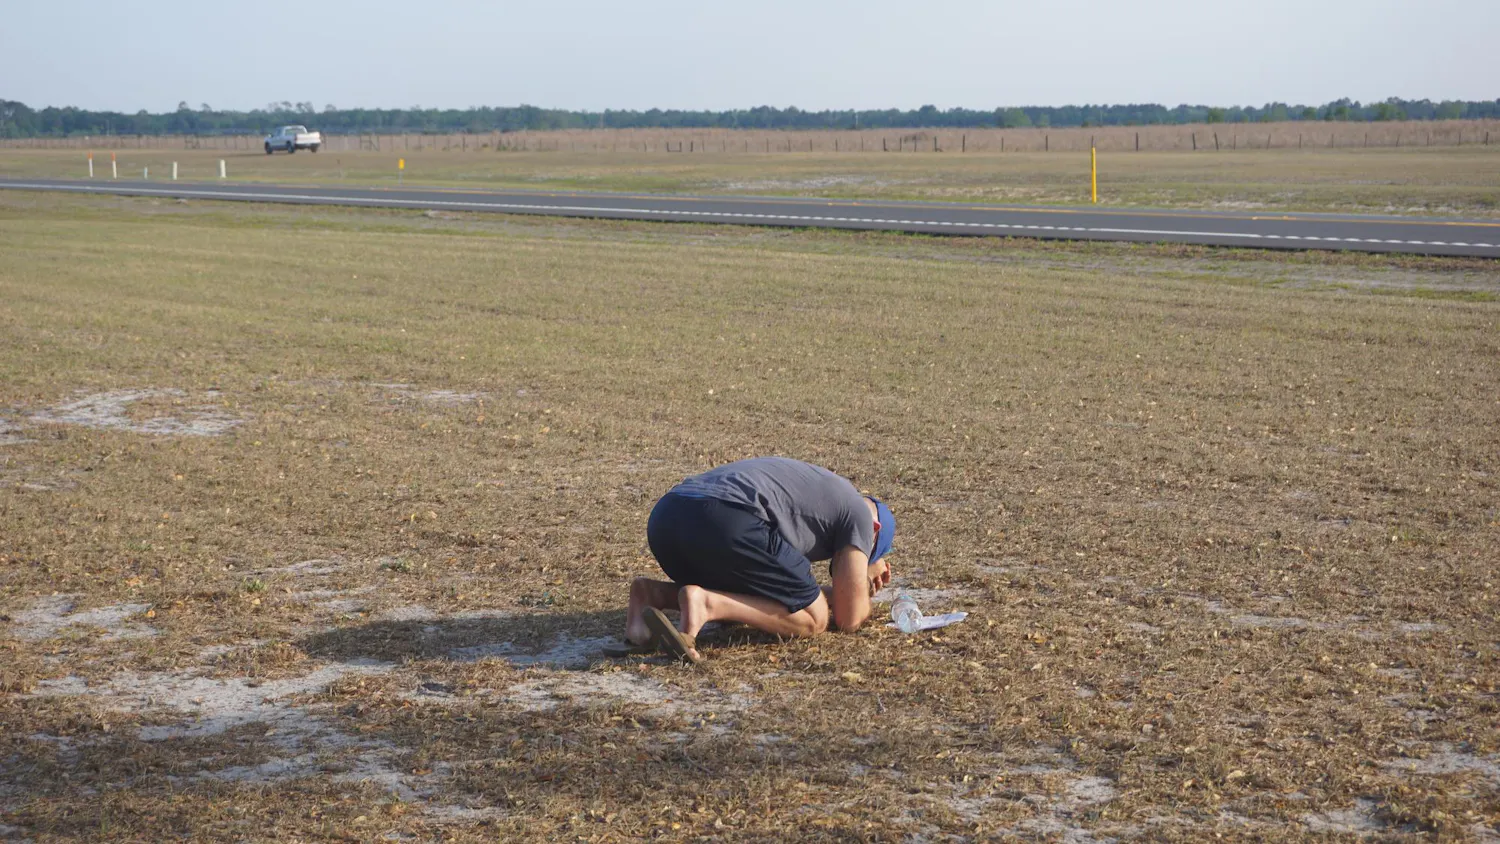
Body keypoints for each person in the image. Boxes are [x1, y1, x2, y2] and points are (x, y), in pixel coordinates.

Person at [619, 457, 895, 663]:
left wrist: (836, 593)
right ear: (874, 531)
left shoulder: (821, 490)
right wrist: (867, 572)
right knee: (815, 617)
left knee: (762, 586)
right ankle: (705, 604)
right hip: (726, 519)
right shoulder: (860, 512)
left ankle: (651, 594)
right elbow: (850, 619)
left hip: (667, 519)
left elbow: (771, 588)